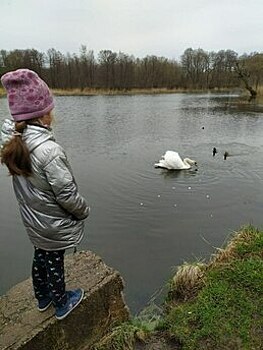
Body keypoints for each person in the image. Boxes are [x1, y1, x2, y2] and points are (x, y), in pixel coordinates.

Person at [0, 69, 90, 320]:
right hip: (52, 222)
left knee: (41, 254)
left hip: (33, 219)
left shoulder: (13, 143)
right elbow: (66, 194)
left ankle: (42, 297)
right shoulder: (49, 151)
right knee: (54, 259)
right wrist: (83, 211)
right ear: (44, 115)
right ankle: (62, 303)